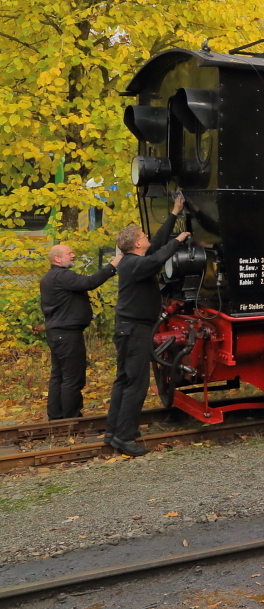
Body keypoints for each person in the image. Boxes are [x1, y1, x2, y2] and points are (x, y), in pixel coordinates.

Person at [105, 193, 190, 457]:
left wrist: (174, 213)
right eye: (143, 235)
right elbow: (157, 258)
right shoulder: (135, 264)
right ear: (137, 243)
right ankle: (124, 436)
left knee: (123, 380)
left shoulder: (131, 260)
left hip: (128, 328)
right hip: (135, 330)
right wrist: (179, 240)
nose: (147, 237)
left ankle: (112, 431)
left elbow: (157, 244)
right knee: (136, 383)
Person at [38, 245, 122, 420]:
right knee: (72, 378)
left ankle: (56, 416)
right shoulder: (63, 276)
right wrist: (112, 265)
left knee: (58, 375)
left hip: (56, 333)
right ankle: (72, 418)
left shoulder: (49, 277)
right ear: (57, 259)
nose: (73, 255)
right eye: (69, 253)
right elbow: (90, 282)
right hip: (68, 334)